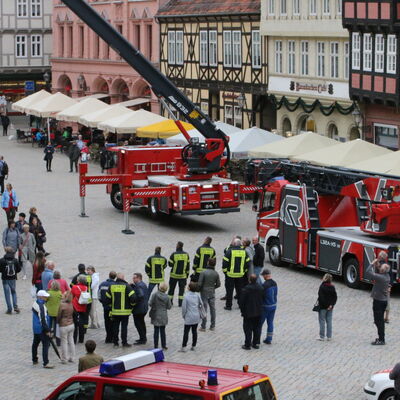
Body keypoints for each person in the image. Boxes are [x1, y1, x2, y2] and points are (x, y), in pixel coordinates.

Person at [105, 273, 137, 348]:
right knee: (124, 327)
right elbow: (133, 298)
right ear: (123, 278)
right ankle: (124, 342)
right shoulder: (127, 286)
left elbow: (107, 299)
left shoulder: (111, 286)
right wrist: (131, 306)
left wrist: (111, 307)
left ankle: (115, 343)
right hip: (125, 312)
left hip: (115, 312)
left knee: (115, 327)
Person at [367, 259, 391, 345]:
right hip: (383, 301)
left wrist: (372, 263)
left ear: (382, 271)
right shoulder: (387, 276)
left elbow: (368, 272)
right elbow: (380, 271)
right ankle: (381, 337)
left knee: (379, 321)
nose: (380, 268)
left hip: (378, 302)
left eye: (381, 268)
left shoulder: (380, 278)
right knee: (378, 320)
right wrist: (377, 265)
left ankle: (381, 339)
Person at [223, 238, 250, 310]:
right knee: (240, 291)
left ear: (234, 244)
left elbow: (225, 263)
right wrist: (244, 271)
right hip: (240, 275)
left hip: (230, 275)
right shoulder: (244, 252)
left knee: (229, 291)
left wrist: (225, 272)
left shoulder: (229, 251)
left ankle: (228, 306)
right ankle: (241, 305)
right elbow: (247, 262)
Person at [239, 274, 263, 350]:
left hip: (248, 313)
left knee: (247, 329)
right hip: (258, 312)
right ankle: (255, 343)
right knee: (257, 328)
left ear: (249, 280)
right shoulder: (261, 288)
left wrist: (242, 310)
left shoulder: (246, 289)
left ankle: (247, 345)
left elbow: (241, 302)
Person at [32, 290, 53, 368]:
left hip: (36, 328)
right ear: (40, 297)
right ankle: (46, 362)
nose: (46, 298)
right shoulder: (42, 306)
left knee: (35, 344)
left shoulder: (35, 303)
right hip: (41, 328)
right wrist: (47, 330)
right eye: (45, 296)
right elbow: (43, 319)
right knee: (45, 345)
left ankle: (34, 359)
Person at [179, 282, 203, 352]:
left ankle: (184, 347)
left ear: (189, 288)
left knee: (186, 332)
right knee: (194, 331)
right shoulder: (197, 295)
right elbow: (201, 304)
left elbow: (184, 308)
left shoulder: (186, 296)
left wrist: (184, 315)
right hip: (196, 316)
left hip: (189, 316)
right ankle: (193, 346)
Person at [198, 258, 220, 332]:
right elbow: (218, 284)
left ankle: (203, 326)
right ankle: (212, 326)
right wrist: (213, 287)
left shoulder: (203, 272)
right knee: (212, 309)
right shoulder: (216, 273)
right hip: (212, 292)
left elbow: (200, 284)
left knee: (204, 309)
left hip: (204, 292)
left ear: (208, 263)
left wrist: (198, 289)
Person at [149, 282, 171, 350]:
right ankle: (163, 345)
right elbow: (169, 307)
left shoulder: (155, 294)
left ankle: (156, 346)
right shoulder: (167, 297)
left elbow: (150, 303)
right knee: (162, 331)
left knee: (156, 330)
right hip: (163, 315)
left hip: (155, 313)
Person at [168, 241, 190, 307]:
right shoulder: (186, 254)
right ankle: (180, 303)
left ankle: (170, 302)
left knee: (171, 289)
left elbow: (170, 264)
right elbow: (188, 266)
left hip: (173, 276)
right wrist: (187, 275)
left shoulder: (174, 254)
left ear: (177, 246)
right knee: (181, 291)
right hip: (183, 276)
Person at [0, 247, 20, 314]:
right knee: (13, 292)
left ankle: (9, 309)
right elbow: (19, 269)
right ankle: (15, 306)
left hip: (5, 279)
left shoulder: (2, 260)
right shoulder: (15, 260)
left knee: (7, 294)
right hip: (13, 278)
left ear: (6, 252)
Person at [260, 269, 278, 344]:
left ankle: (257, 338)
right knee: (270, 322)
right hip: (274, 305)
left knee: (260, 323)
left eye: (263, 275)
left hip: (265, 306)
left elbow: (261, 296)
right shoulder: (275, 283)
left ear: (265, 275)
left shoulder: (264, 285)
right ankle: (269, 339)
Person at [98, 271, 116, 343]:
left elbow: (99, 295)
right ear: (115, 277)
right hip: (113, 308)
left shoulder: (102, 284)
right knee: (114, 323)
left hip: (105, 307)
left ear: (109, 276)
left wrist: (102, 302)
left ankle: (108, 338)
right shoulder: (116, 285)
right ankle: (114, 337)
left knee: (107, 322)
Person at [57, 291, 75, 364]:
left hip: (63, 324)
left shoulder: (62, 305)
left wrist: (58, 322)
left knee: (64, 342)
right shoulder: (71, 304)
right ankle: (72, 357)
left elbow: (59, 315)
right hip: (71, 324)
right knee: (71, 341)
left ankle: (64, 358)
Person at [71, 274, 89, 344]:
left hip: (75, 307)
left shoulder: (75, 287)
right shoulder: (85, 287)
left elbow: (71, 296)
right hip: (83, 306)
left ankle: (74, 339)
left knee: (75, 324)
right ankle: (81, 339)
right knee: (81, 324)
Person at [131, 272, 148, 345]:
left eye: (134, 278)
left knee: (138, 323)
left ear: (138, 278)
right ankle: (143, 337)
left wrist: (134, 301)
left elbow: (140, 295)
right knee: (142, 323)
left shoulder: (138, 286)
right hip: (144, 308)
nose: (133, 279)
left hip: (139, 309)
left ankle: (142, 339)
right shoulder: (143, 284)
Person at [47, 280, 62, 346]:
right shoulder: (59, 293)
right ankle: (57, 338)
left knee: (49, 325)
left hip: (50, 311)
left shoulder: (49, 293)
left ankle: (49, 339)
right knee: (57, 325)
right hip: (57, 312)